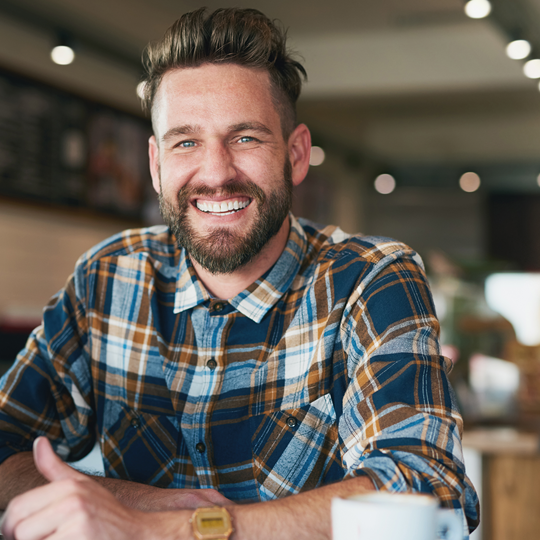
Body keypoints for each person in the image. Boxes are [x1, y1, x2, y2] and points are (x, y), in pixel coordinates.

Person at [0, 7, 479, 540]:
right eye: (187, 142)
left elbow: (425, 489)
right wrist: (135, 502)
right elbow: (5, 446)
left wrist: (169, 529)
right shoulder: (107, 279)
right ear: (156, 166)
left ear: (295, 155)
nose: (216, 173)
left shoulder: (371, 278)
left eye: (246, 138)